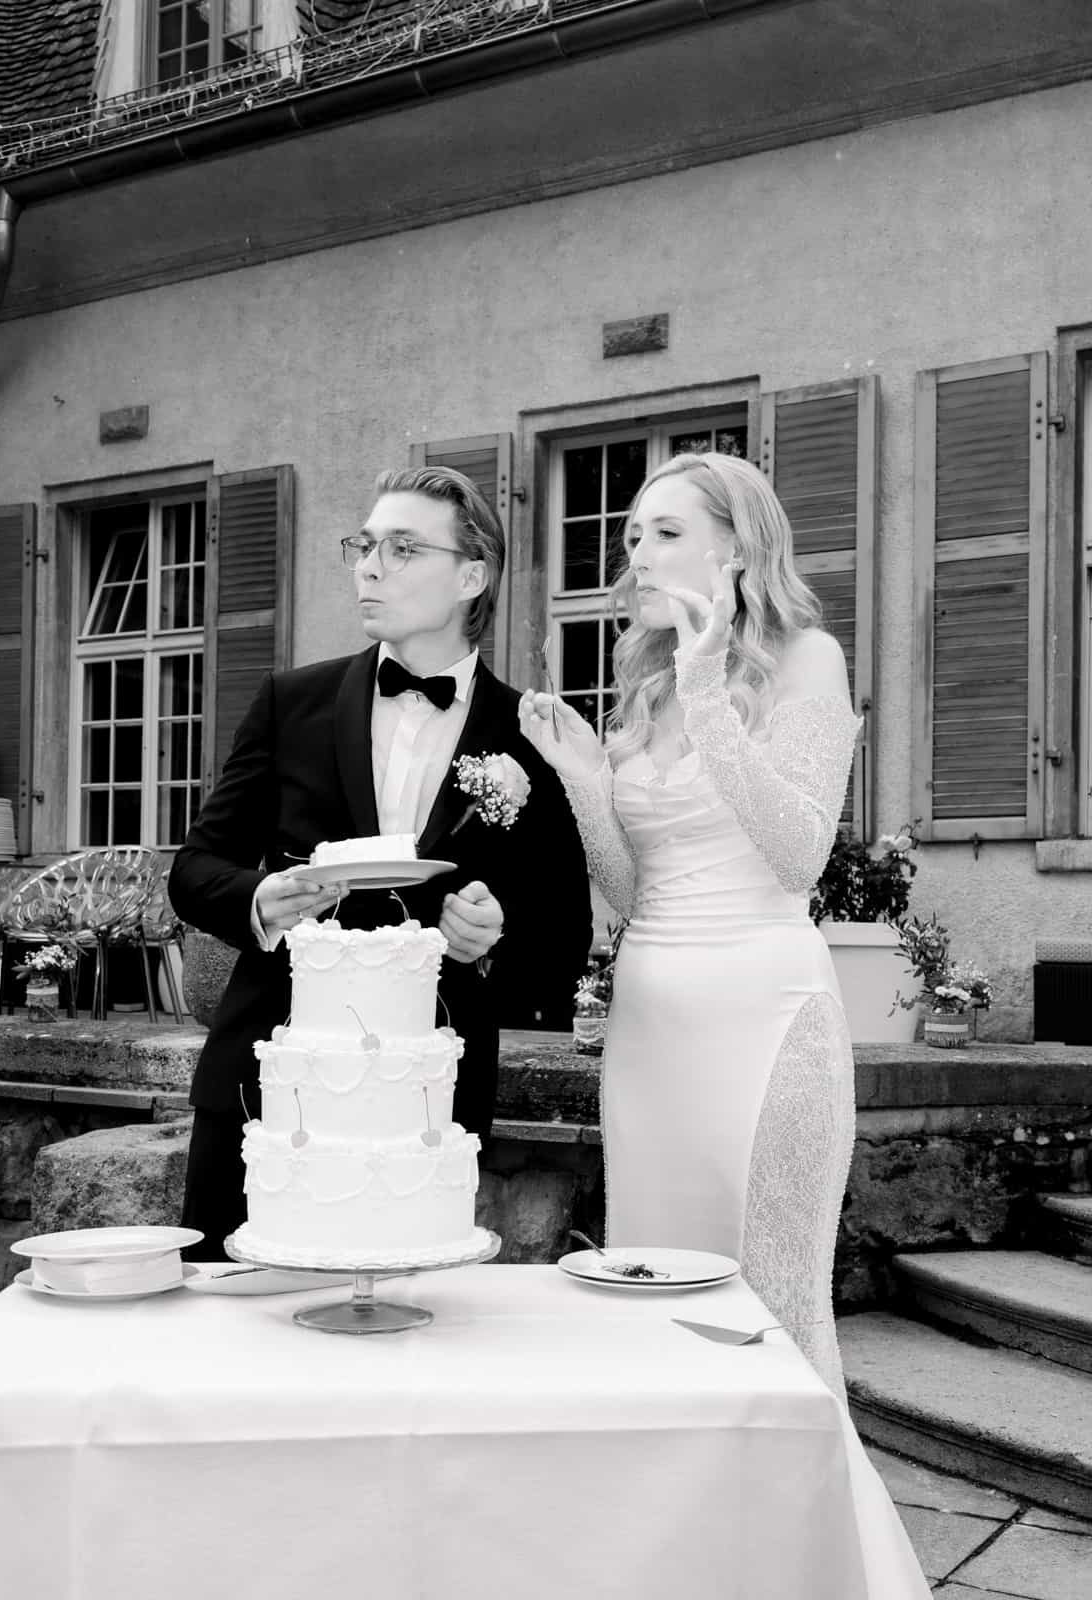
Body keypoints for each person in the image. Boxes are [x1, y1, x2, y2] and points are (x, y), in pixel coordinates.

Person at [170, 464, 592, 1258]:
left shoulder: (529, 734)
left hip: (426, 1105)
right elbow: (194, 870)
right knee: (227, 1312)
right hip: (264, 1083)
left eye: (402, 548)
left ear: (471, 576)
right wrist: (260, 897)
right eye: (364, 546)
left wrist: (494, 937)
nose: (368, 567)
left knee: (406, 1319)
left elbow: (563, 940)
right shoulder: (290, 702)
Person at [520, 449, 863, 1397]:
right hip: (649, 1031)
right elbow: (634, 895)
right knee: (654, 1290)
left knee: (773, 1303)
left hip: (765, 1014)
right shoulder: (649, 686)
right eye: (633, 535)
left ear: (737, 550)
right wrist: (584, 780)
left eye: (666, 532)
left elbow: (799, 854)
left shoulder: (808, 659)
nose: (637, 554)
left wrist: (710, 690)